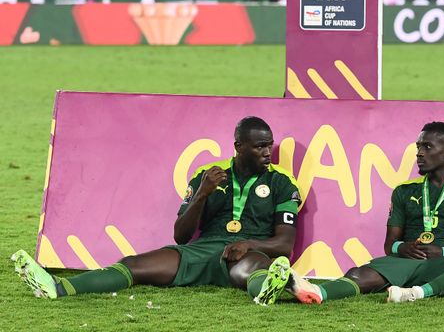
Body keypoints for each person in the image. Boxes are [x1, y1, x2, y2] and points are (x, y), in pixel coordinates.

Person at [13, 117, 301, 306]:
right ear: (238, 147)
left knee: (248, 271)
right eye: (260, 146)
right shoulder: (207, 175)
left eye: (269, 146)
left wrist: (248, 243)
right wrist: (202, 193)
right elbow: (181, 236)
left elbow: (284, 245)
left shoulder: (281, 182)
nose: (267, 152)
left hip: (249, 252)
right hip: (204, 250)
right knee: (135, 264)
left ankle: (266, 290)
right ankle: (59, 287)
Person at [274, 122, 444, 304]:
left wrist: (443, 251)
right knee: (359, 273)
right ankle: (315, 292)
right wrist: (404, 247)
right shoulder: (403, 191)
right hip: (410, 261)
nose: (419, 153)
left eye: (427, 147)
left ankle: (417, 293)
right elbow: (390, 244)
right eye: (418, 146)